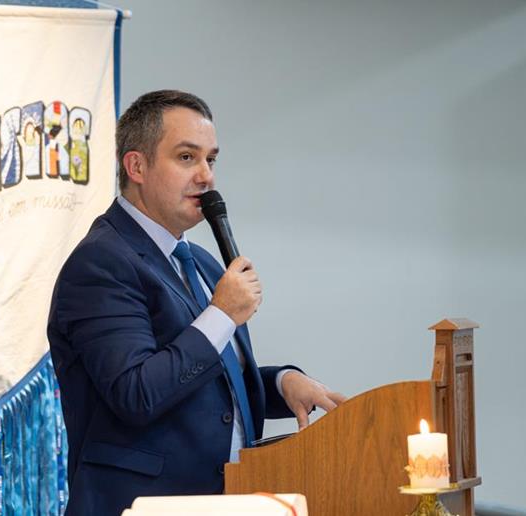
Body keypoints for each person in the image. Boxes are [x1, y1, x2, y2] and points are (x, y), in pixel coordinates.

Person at [47, 90, 346, 516]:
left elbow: (203, 380)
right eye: (187, 158)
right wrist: (222, 314)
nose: (206, 176)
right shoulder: (101, 263)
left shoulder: (199, 262)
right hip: (138, 505)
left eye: (212, 159)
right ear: (137, 166)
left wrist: (280, 384)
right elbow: (137, 393)